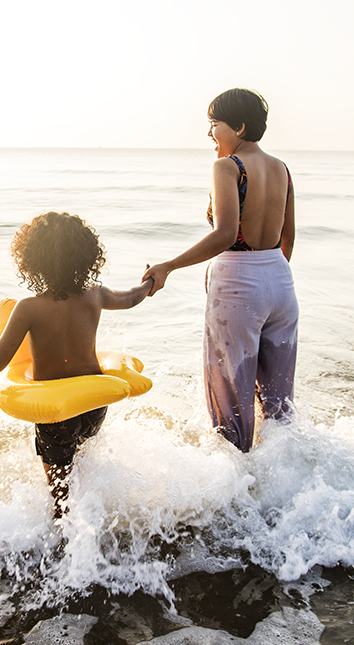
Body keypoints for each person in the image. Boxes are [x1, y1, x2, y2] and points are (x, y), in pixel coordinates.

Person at [0, 212, 154, 519]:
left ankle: (64, 541)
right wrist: (150, 282)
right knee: (83, 463)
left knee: (60, 496)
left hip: (56, 414)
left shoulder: (28, 309)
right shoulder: (96, 295)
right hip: (93, 406)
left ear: (31, 262)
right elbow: (131, 298)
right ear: (86, 255)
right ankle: (91, 523)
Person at [142, 87, 297, 452]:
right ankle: (286, 483)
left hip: (239, 286)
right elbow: (288, 238)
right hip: (280, 281)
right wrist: (268, 276)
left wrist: (169, 266)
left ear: (239, 127)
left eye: (214, 124)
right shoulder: (282, 169)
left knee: (230, 402)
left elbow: (226, 234)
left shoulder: (227, 167)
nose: (210, 134)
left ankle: (234, 498)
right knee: (279, 403)